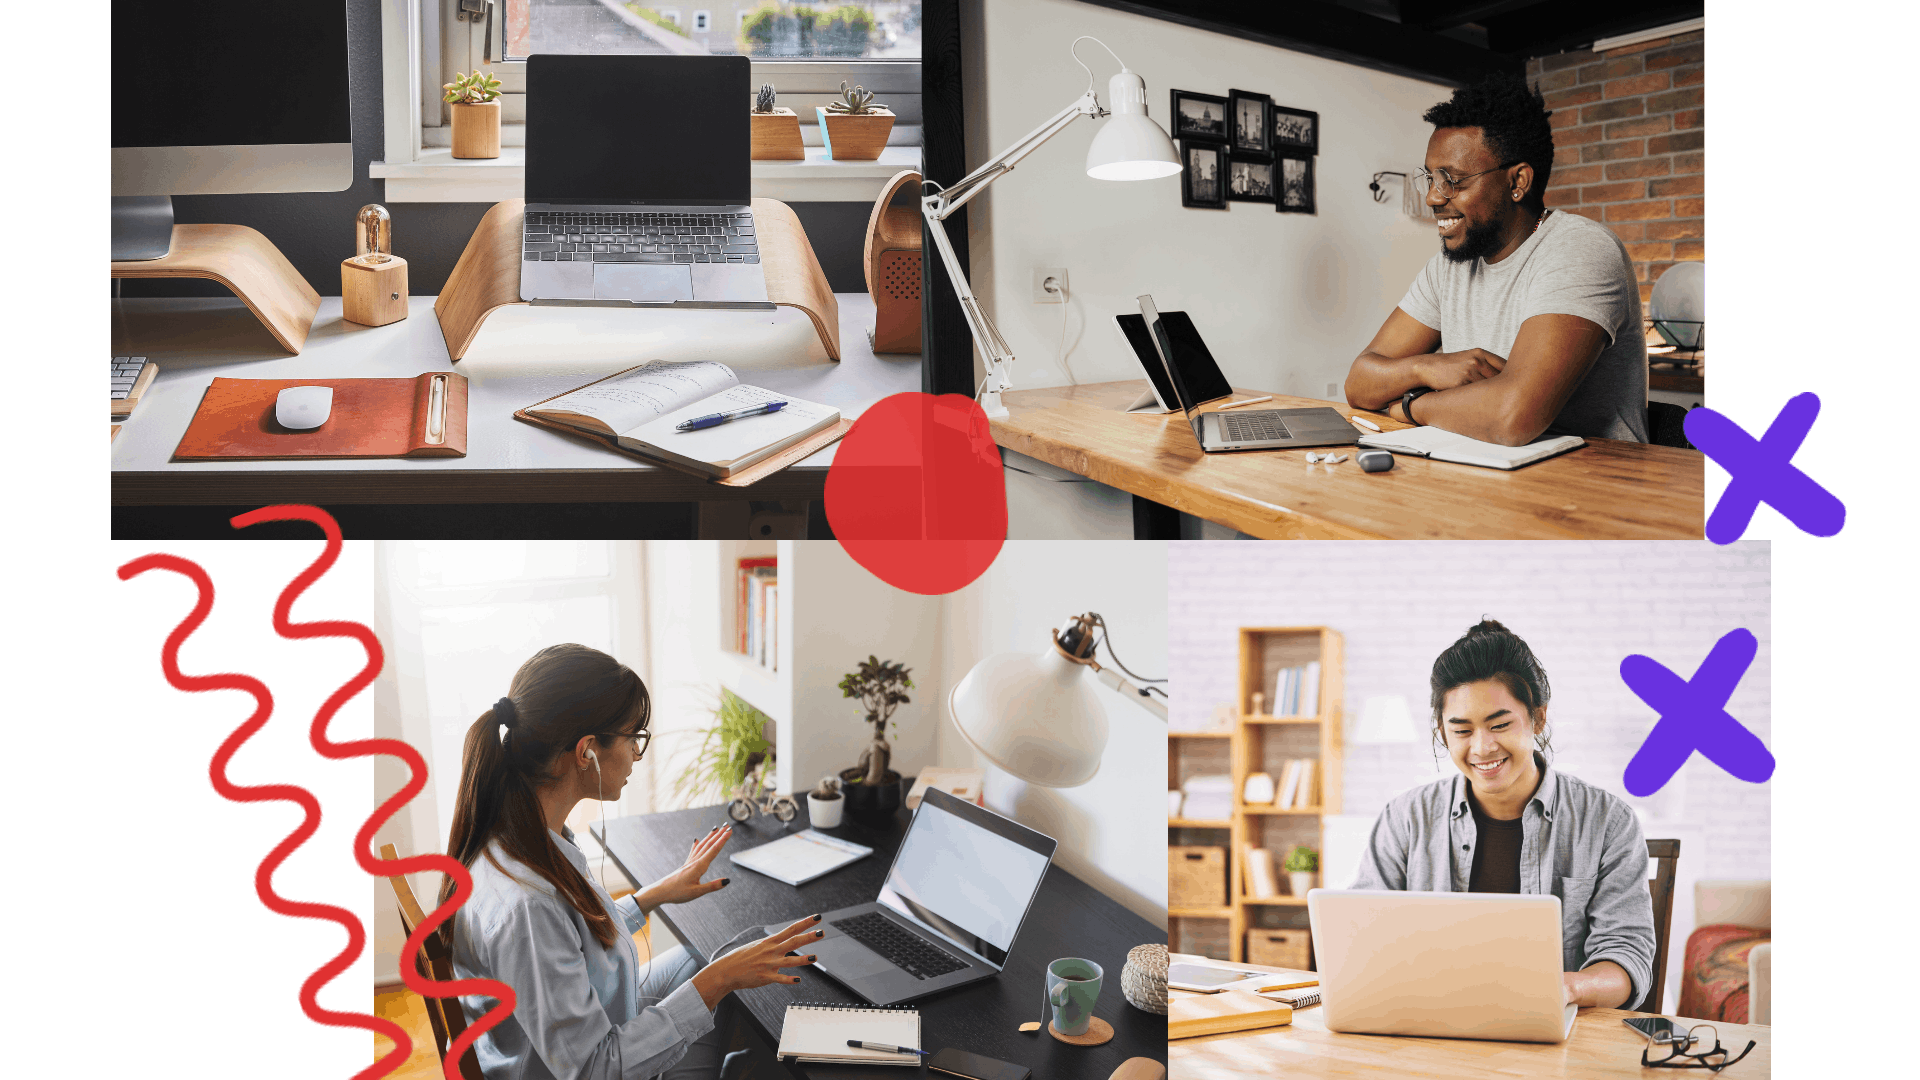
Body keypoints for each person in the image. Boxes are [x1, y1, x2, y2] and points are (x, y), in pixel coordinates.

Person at [441, 643, 822, 1079]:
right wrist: (719, 982)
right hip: (592, 1063)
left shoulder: (515, 836)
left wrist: (650, 897)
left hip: (580, 1028)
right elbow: (593, 1069)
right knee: (726, 990)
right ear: (587, 751)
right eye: (633, 738)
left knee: (722, 956)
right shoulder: (529, 903)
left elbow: (567, 940)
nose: (637, 756)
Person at [1351, 620, 1657, 1010]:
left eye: (1499, 724)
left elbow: (1626, 958)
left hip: (1555, 1037)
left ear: (1538, 719)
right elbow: (1362, 935)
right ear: (1442, 732)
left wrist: (1570, 988)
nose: (1482, 747)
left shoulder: (1607, 822)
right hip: (1429, 1028)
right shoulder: (1405, 818)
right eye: (1461, 730)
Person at [1344, 74, 1649, 446]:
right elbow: (1360, 383)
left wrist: (1410, 404)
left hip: (1596, 490)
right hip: (1486, 477)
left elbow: (1512, 416)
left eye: (1452, 181)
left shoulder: (1580, 249)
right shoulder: (1449, 266)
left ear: (1518, 181)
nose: (1433, 198)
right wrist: (1429, 366)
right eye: (1431, 178)